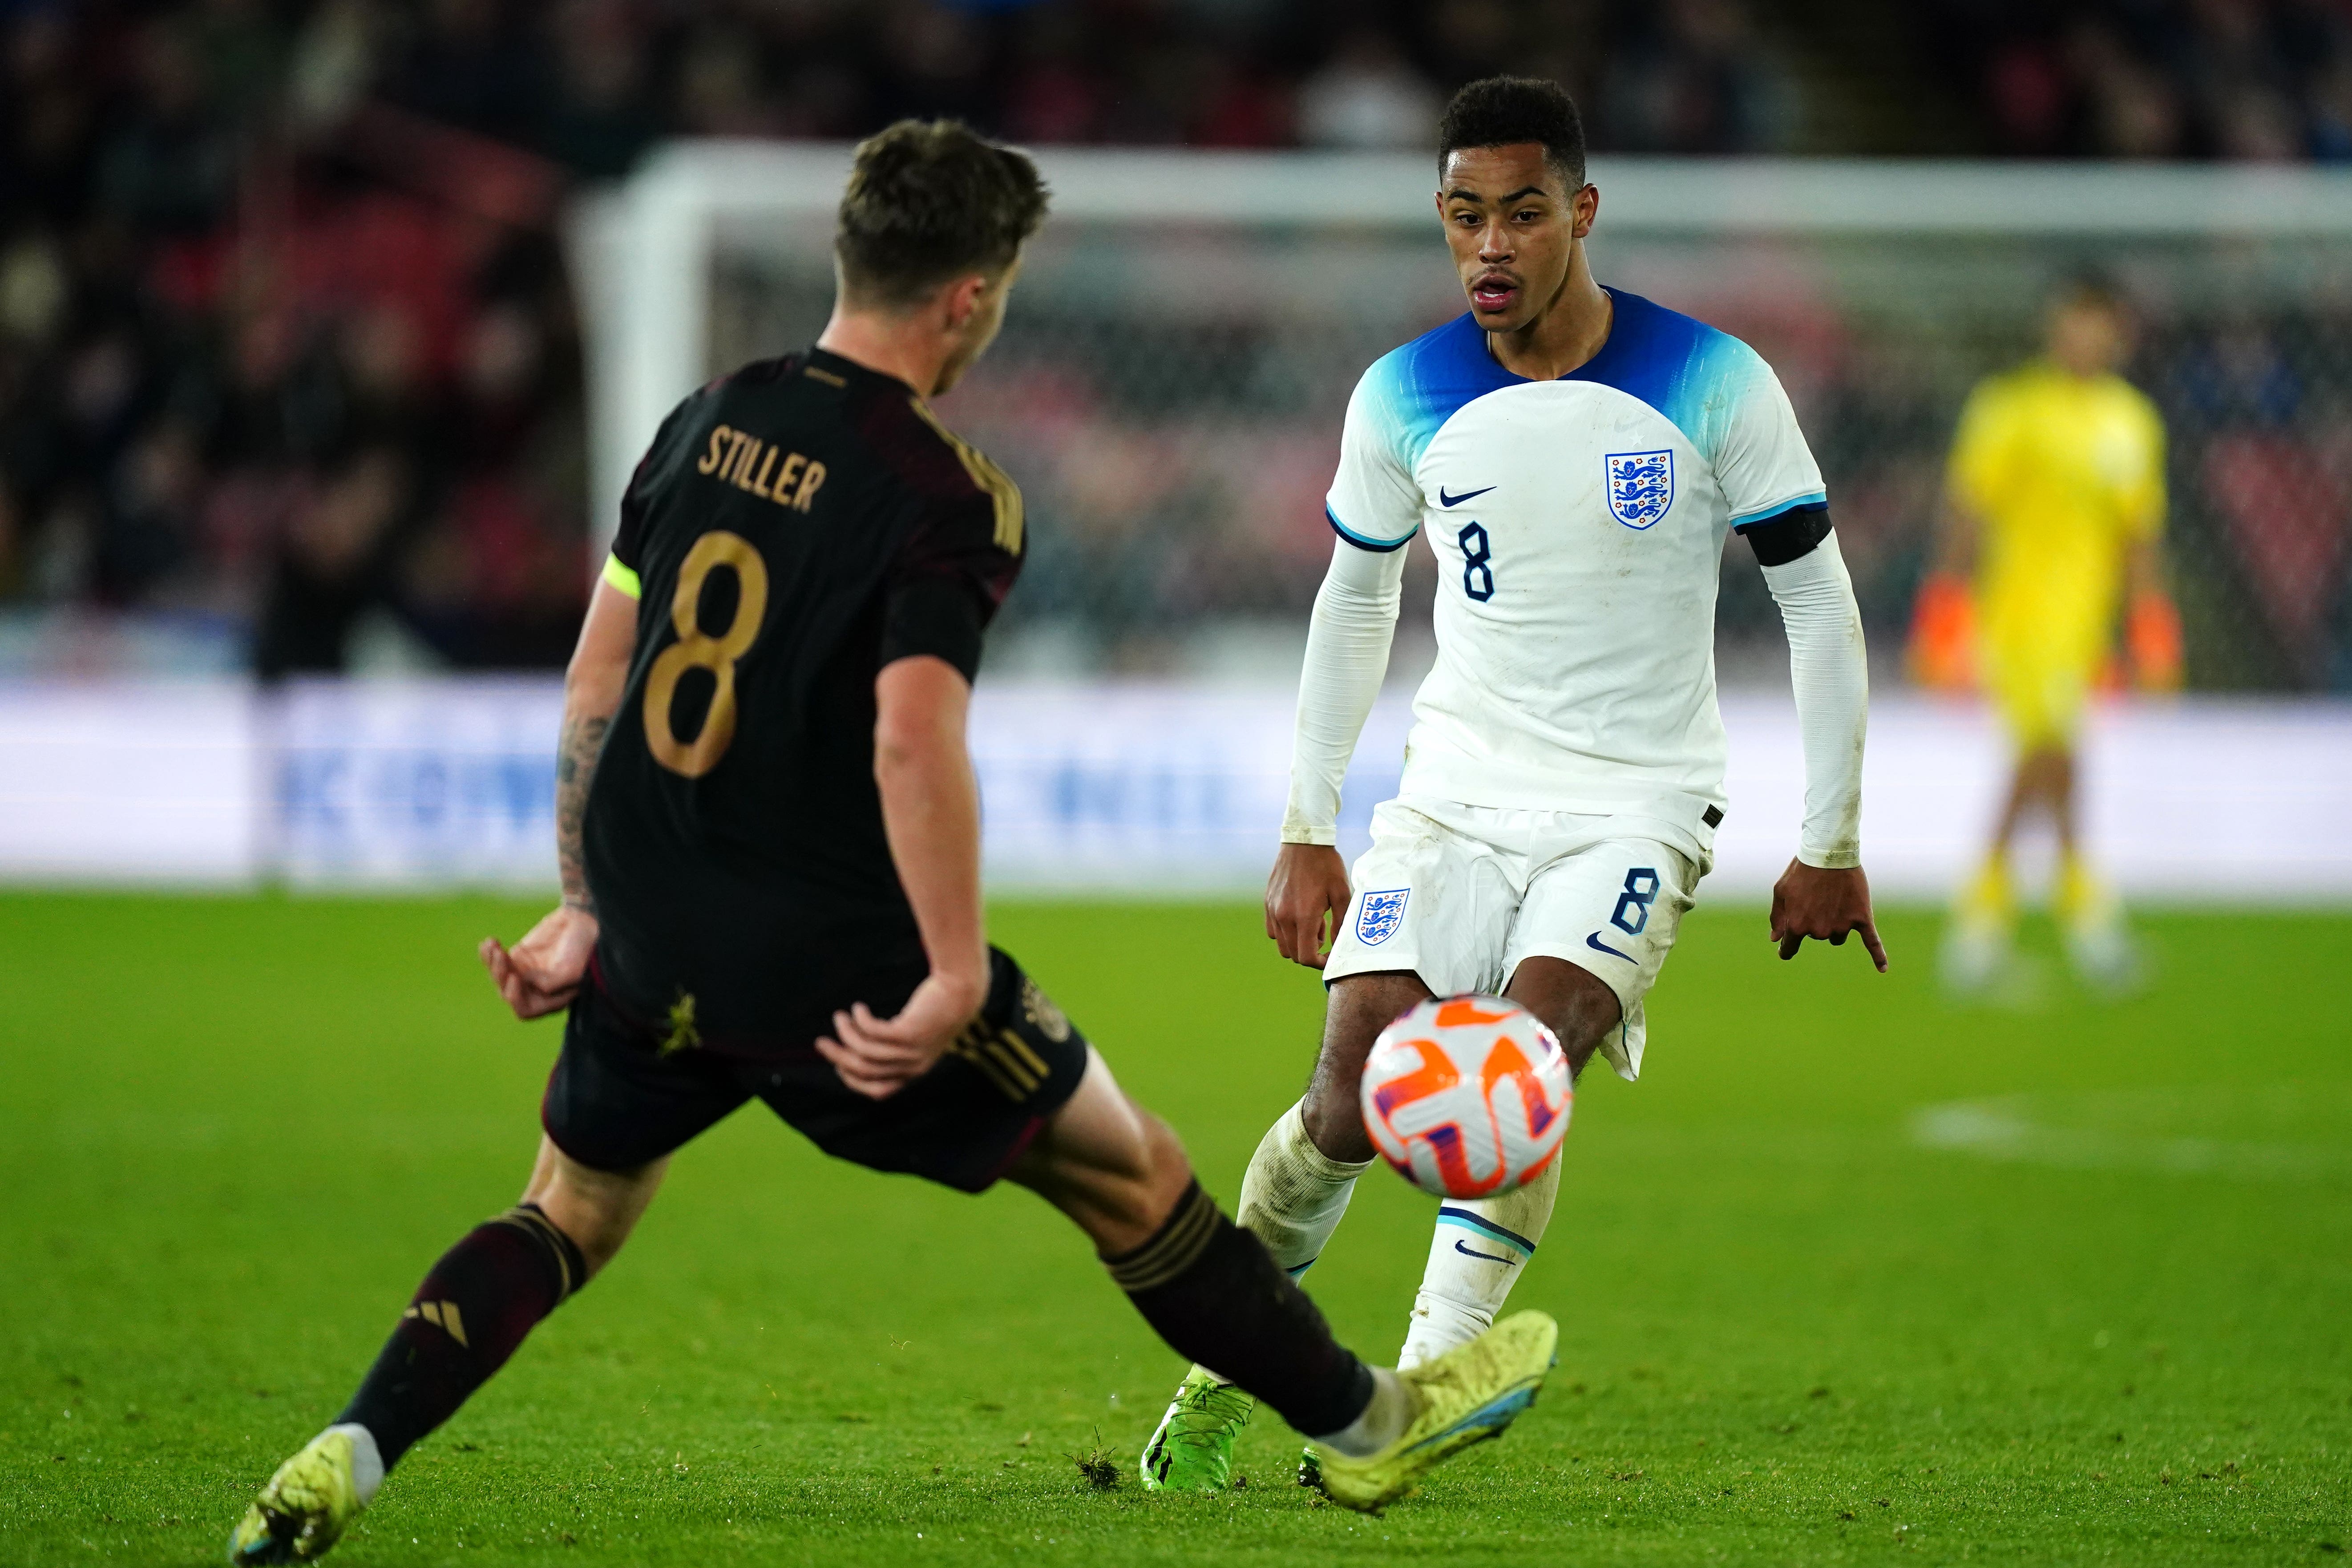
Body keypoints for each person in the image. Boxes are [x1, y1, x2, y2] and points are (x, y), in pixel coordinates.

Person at [228, 120, 1557, 1563]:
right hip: (834, 961)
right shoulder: (947, 497)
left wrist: (584, 899)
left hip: (655, 919)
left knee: (566, 1211)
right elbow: (910, 737)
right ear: (969, 299)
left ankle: (348, 1451)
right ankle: (1370, 1423)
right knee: (1130, 1172)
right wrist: (944, 974)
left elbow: (599, 675)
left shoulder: (702, 420)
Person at [1139, 75, 1885, 1494]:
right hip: (1451, 794)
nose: (1491, 244)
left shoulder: (1715, 380)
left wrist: (1827, 835)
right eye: (1465, 214)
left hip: (1635, 802)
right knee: (1350, 1094)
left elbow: (1819, 606)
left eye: (1522, 213)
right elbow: (1354, 604)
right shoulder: (1402, 392)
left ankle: (1402, 1408)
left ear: (1581, 214)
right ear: (1440, 216)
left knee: (1515, 1062)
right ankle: (1227, 1370)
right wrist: (1308, 825)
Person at [1912, 276, 2179, 994]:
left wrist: (2150, 623)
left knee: (2050, 764)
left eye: (2097, 325)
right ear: (2053, 326)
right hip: (2018, 619)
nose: (2082, 338)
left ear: (2116, 333)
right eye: (2073, 322)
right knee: (2047, 760)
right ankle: (2063, 920)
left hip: (2084, 624)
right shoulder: (2010, 408)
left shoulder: (2131, 422)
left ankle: (1996, 923)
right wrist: (1945, 609)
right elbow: (1966, 513)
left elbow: (2138, 536)